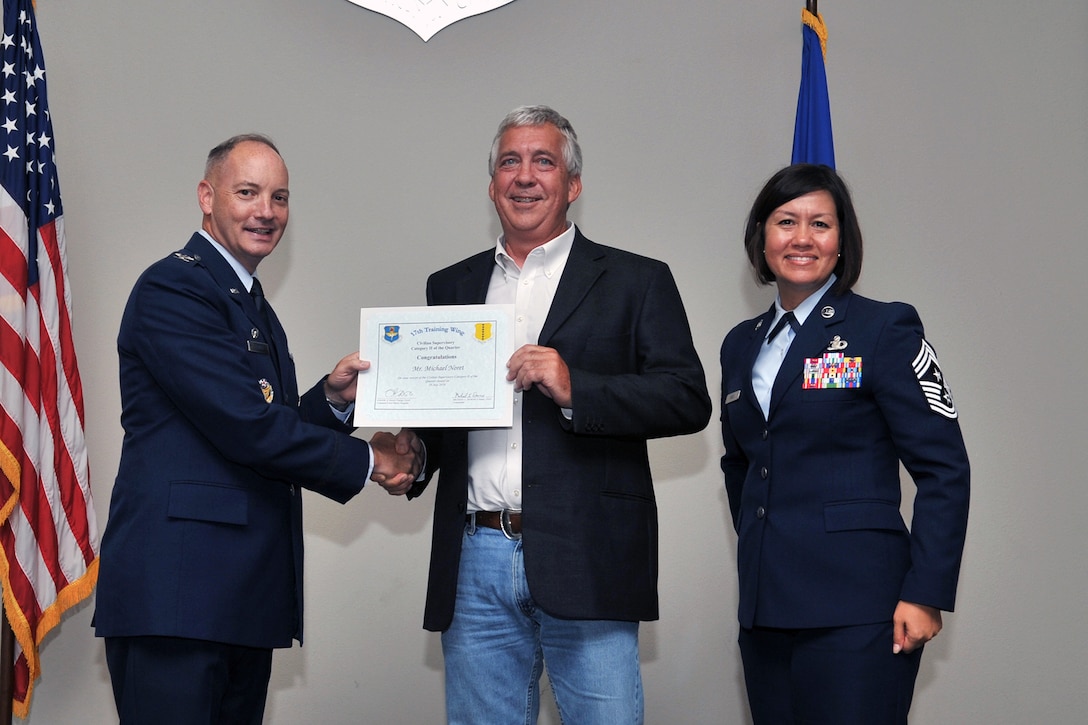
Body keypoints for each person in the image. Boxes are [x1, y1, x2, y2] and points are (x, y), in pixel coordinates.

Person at [384, 105, 711, 724]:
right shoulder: (449, 286)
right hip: (474, 554)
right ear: (492, 184)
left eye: (544, 161)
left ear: (573, 185)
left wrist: (575, 387)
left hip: (588, 551)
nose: (525, 175)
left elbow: (686, 397)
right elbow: (442, 421)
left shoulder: (636, 280)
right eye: (510, 161)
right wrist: (414, 455)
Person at [93, 133, 422, 724]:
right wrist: (371, 461)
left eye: (279, 197)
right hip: (179, 598)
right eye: (247, 192)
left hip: (236, 597)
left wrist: (329, 399)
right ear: (206, 196)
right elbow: (245, 427)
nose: (265, 211)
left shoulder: (249, 303)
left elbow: (257, 420)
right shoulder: (176, 287)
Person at [719, 163, 970, 724]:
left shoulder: (883, 329)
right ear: (762, 237)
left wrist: (926, 592)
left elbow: (944, 468)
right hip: (765, 613)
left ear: (842, 242)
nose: (802, 238)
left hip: (861, 608)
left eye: (820, 224)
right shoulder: (740, 345)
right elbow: (740, 464)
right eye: (786, 222)